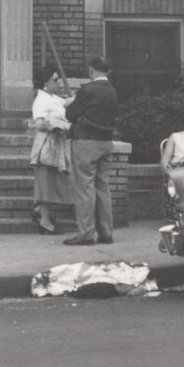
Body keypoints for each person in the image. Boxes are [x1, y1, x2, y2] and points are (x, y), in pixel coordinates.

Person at [61, 59, 119, 245]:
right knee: (103, 187)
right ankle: (106, 233)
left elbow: (70, 115)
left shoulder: (87, 90)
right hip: (106, 142)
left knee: (84, 188)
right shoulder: (112, 91)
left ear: (92, 70)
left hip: (85, 142)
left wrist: (71, 102)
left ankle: (86, 234)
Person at [27, 69, 75, 232]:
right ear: (45, 84)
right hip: (47, 144)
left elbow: (65, 103)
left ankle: (40, 211)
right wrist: (57, 124)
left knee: (56, 181)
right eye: (54, 80)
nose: (58, 83)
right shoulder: (41, 100)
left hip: (57, 143)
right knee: (46, 182)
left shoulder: (53, 98)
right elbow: (40, 123)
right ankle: (45, 222)